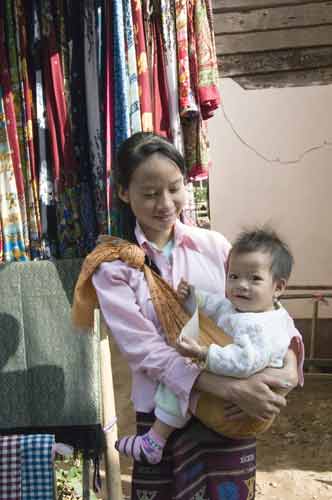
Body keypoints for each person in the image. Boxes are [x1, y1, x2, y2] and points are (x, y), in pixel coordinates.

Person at [91, 132, 303, 500]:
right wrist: (226, 385)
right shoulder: (114, 267)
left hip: (230, 414)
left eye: (174, 188)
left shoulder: (215, 246)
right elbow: (144, 350)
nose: (165, 203)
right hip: (162, 414)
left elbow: (263, 312)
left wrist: (286, 367)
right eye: (150, 193)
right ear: (124, 193)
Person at [115, 227, 299, 465]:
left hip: (238, 410)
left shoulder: (259, 326)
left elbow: (243, 362)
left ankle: (154, 441)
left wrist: (205, 354)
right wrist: (193, 296)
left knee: (180, 378)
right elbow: (218, 305)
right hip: (241, 398)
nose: (241, 285)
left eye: (254, 278)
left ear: (279, 287)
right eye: (233, 277)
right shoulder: (255, 309)